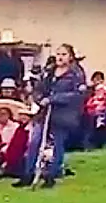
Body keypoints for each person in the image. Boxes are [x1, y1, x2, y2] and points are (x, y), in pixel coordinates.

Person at [15, 43, 85, 189]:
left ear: (70, 57)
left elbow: (77, 95)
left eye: (64, 54)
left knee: (57, 144)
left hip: (63, 115)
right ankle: (28, 174)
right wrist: (39, 98)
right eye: (58, 54)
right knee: (35, 141)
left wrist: (54, 99)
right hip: (44, 112)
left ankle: (51, 176)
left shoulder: (76, 74)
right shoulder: (49, 71)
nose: (60, 57)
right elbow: (39, 88)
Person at [83, 70, 106, 148]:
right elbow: (85, 102)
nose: (98, 81)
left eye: (99, 79)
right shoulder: (89, 91)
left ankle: (105, 142)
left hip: (105, 112)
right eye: (96, 79)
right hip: (90, 113)